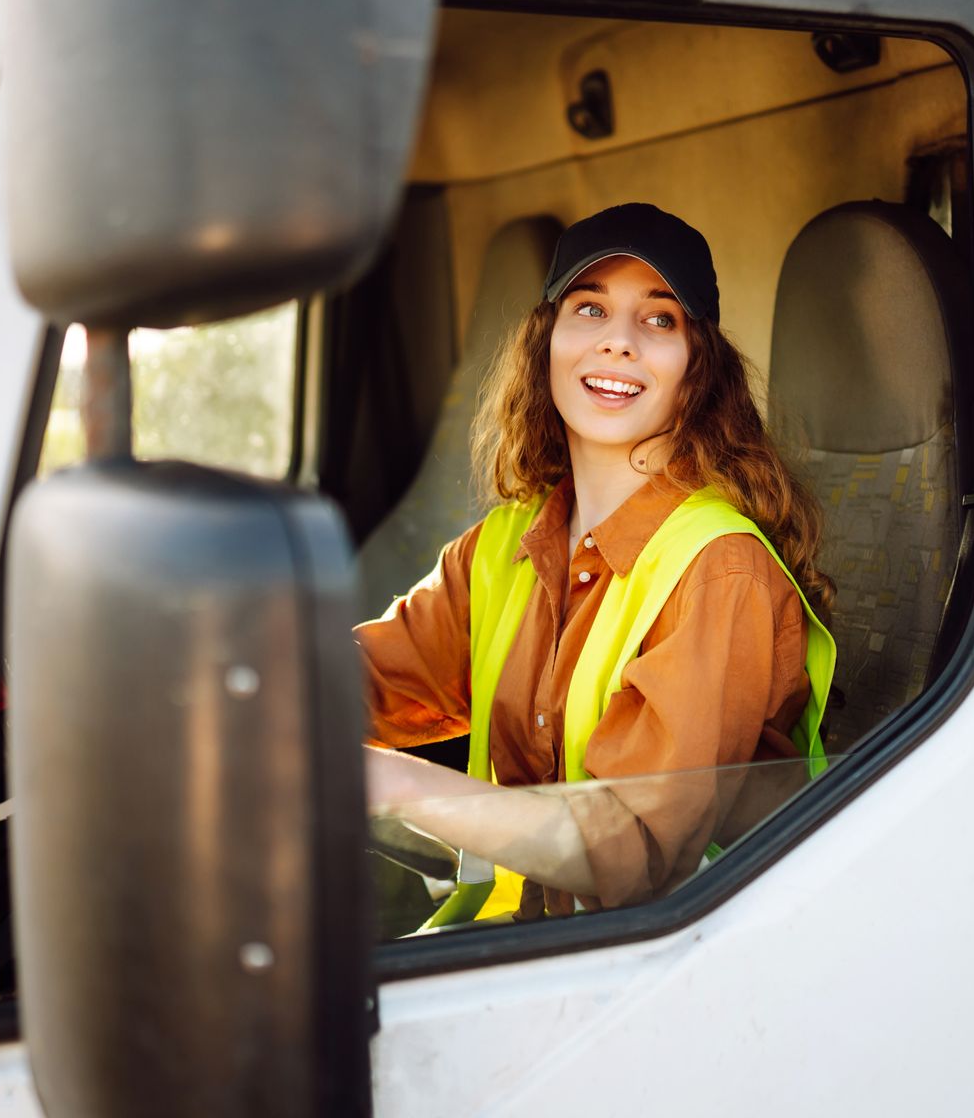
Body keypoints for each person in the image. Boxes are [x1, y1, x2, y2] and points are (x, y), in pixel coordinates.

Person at [358, 203, 836, 922]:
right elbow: (356, 682)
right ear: (547, 341)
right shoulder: (501, 547)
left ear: (697, 367)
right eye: (589, 309)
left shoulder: (720, 571)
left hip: (673, 964)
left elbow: (632, 854)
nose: (617, 343)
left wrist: (386, 785)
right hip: (533, 942)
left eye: (659, 320)